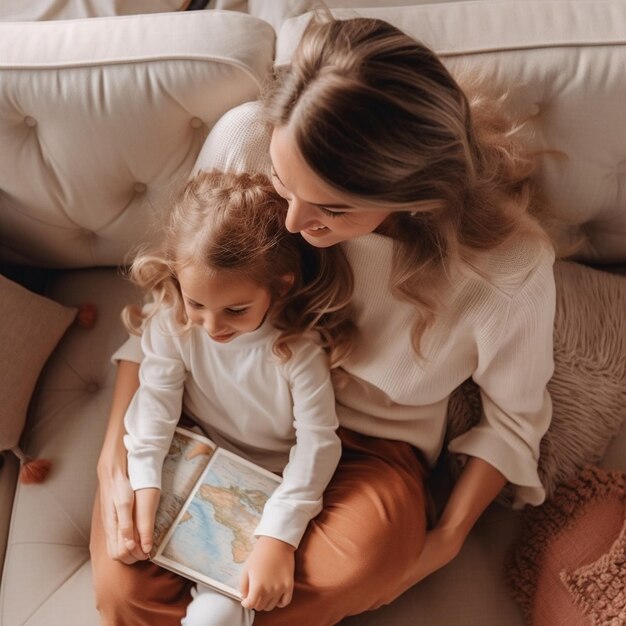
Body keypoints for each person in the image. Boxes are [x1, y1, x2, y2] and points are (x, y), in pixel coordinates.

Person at [91, 14, 556, 626]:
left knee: (360, 560)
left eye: (332, 209)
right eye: (284, 186)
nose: (292, 225)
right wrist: (113, 460)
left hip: (368, 447)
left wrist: (442, 542)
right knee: (126, 585)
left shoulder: (505, 273)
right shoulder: (247, 141)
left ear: (418, 197)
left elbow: (513, 423)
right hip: (216, 406)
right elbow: (173, 308)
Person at [107, 168, 355, 625]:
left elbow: (318, 444)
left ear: (280, 286)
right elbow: (157, 401)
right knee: (125, 557)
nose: (213, 325)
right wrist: (144, 480)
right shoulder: (172, 321)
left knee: (219, 615)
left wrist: (278, 535)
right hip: (188, 452)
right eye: (196, 303)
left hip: (263, 481)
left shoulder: (296, 350)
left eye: (235, 310)